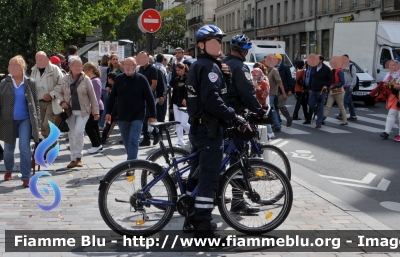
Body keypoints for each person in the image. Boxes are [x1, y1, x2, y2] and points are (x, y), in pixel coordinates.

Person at [185, 25, 247, 240]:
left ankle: (189, 216)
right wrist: (233, 115)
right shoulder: (210, 68)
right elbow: (212, 100)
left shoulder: (201, 65)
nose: (218, 45)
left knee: (195, 175)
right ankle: (203, 227)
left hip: (198, 127)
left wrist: (226, 77)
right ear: (201, 45)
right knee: (209, 179)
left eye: (219, 41)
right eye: (213, 41)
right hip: (209, 130)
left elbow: (212, 94)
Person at [0, 55, 40, 187]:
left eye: (15, 66)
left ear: (22, 68)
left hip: (25, 119)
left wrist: (37, 123)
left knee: (24, 147)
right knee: (8, 150)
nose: (12, 68)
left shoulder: (30, 82)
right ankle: (9, 169)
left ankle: (25, 176)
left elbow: (36, 104)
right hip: (8, 120)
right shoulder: (4, 83)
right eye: (10, 66)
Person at [106, 57, 156, 160]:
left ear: (135, 66)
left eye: (130, 65)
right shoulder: (119, 79)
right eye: (126, 65)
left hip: (137, 115)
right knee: (126, 141)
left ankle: (131, 165)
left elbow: (150, 98)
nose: (128, 67)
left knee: (134, 139)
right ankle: (133, 160)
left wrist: (153, 115)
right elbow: (112, 97)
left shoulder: (141, 79)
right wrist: (108, 112)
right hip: (122, 115)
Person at [58, 56, 100, 168]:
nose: (78, 67)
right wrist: (62, 102)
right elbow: (60, 93)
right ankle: (73, 159)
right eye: (75, 65)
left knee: (78, 132)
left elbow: (93, 96)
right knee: (71, 134)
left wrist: (96, 111)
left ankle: (79, 157)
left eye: (80, 66)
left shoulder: (86, 79)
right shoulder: (65, 78)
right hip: (69, 112)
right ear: (70, 67)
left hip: (83, 111)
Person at [31, 51, 64, 139]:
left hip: (51, 101)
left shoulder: (54, 69)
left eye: (41, 59)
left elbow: (62, 84)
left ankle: (53, 143)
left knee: (47, 124)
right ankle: (46, 148)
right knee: (42, 127)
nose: (38, 61)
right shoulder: (34, 70)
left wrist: (51, 94)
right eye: (37, 60)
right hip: (39, 101)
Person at [137, 51, 159, 146]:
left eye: (143, 57)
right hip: (141, 97)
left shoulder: (153, 69)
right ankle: (152, 135)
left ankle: (150, 136)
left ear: (148, 58)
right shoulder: (141, 69)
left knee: (148, 117)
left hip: (149, 97)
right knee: (145, 118)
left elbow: (154, 83)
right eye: (140, 58)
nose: (142, 60)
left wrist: (148, 94)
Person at [83, 62, 104, 153]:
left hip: (96, 108)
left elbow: (97, 96)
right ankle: (98, 144)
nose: (83, 73)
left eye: (85, 71)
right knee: (94, 127)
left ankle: (96, 145)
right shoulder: (94, 80)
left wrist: (93, 109)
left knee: (89, 127)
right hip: (96, 107)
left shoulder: (95, 81)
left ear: (90, 71)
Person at [308, 55, 333, 128]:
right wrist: (309, 88)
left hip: (321, 90)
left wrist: (327, 85)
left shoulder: (326, 69)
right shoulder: (313, 68)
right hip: (313, 89)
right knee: (311, 104)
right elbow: (311, 78)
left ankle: (319, 122)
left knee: (320, 106)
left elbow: (331, 79)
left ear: (321, 60)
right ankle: (321, 116)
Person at [263, 55, 286, 132]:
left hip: (272, 93)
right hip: (267, 93)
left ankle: (276, 125)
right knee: (271, 108)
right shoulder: (265, 69)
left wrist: (283, 93)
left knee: (271, 109)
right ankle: (276, 124)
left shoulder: (274, 70)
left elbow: (280, 82)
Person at [169, 62, 190, 146]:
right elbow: (173, 93)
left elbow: (190, 90)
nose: (178, 72)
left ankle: (192, 134)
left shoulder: (188, 78)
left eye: (179, 70)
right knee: (178, 123)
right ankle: (180, 141)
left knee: (184, 123)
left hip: (185, 104)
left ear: (183, 69)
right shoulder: (176, 79)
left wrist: (186, 98)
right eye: (176, 70)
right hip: (176, 103)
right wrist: (171, 106)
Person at [379, 60, 400, 140]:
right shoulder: (389, 74)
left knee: (393, 114)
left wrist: (394, 86)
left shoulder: (398, 74)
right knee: (395, 115)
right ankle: (387, 132)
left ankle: (387, 132)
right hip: (392, 96)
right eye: (390, 65)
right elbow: (385, 83)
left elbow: (396, 85)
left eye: (393, 65)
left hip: (396, 96)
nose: (391, 67)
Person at [251, 66, 274, 139]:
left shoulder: (264, 83)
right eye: (253, 75)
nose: (253, 77)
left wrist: (257, 87)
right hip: (254, 104)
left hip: (262, 104)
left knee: (265, 122)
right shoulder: (253, 82)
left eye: (255, 75)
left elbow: (264, 95)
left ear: (259, 75)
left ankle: (269, 133)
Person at [336, 54, 358, 121]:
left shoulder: (351, 66)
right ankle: (353, 115)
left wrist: (352, 86)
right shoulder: (342, 66)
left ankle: (341, 115)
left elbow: (354, 77)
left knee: (345, 100)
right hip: (343, 85)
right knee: (349, 101)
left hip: (349, 86)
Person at [274, 53, 294, 127]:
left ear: (279, 60)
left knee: (281, 105)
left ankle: (288, 118)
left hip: (283, 89)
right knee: (275, 106)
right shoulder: (273, 67)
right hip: (274, 89)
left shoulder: (285, 67)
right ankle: (277, 120)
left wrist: (290, 89)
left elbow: (289, 78)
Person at [102, 72, 117, 144]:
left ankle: (104, 137)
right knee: (111, 124)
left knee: (109, 123)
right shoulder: (115, 85)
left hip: (114, 108)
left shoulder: (114, 86)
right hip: (115, 108)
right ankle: (105, 137)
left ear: (110, 79)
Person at [155, 54, 168, 122]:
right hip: (161, 92)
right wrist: (164, 93)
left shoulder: (154, 66)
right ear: (162, 60)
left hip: (156, 92)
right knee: (162, 110)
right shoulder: (162, 68)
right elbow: (164, 82)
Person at [99, 54, 110, 130]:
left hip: (99, 89)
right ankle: (102, 124)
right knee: (105, 107)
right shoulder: (108, 69)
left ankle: (98, 123)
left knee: (100, 108)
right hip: (106, 88)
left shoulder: (99, 68)